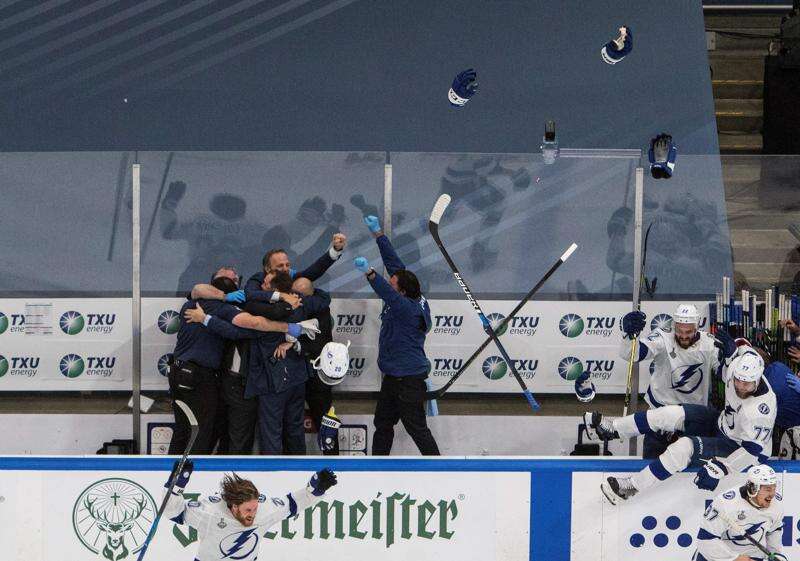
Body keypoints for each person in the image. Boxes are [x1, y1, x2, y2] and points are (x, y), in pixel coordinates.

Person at [583, 343, 776, 505]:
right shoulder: (737, 366)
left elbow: (752, 453)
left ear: (758, 379)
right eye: (738, 381)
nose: (741, 387)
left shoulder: (760, 410)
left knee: (682, 448)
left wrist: (722, 468)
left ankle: (630, 487)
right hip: (724, 422)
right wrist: (733, 348)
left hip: (739, 447)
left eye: (747, 383)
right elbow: (744, 348)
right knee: (669, 413)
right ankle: (612, 430)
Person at [169, 269, 316, 455]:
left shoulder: (190, 305)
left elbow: (198, 289)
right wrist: (288, 328)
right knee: (202, 430)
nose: (260, 287)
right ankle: (194, 474)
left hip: (185, 372)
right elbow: (248, 327)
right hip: (205, 377)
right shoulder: (222, 309)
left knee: (185, 429)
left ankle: (169, 474)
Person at [353, 215, 439, 455]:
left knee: (417, 429)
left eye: (393, 283)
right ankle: (377, 467)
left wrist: (369, 272)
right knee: (382, 424)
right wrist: (378, 234)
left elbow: (386, 292)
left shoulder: (407, 308)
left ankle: (439, 469)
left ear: (401, 290)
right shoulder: (408, 291)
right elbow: (394, 264)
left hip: (408, 380)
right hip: (393, 378)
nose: (391, 282)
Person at [162, 462, 337, 561]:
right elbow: (172, 510)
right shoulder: (209, 513)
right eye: (248, 509)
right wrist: (176, 485)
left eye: (254, 508)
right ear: (234, 506)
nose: (252, 513)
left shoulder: (264, 510)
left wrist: (315, 490)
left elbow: (294, 503)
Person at [616, 304, 721, 458]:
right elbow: (634, 354)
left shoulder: (709, 344)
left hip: (693, 420)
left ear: (697, 327)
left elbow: (724, 371)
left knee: (691, 477)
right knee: (652, 472)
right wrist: (628, 334)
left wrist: (731, 357)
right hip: (659, 424)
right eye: (679, 331)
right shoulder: (662, 338)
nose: (683, 336)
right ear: (674, 326)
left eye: (689, 332)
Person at [693, 464, 786, 561]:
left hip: (753, 556)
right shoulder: (726, 503)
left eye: (774, 488)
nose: (772, 494)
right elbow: (705, 540)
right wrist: (735, 558)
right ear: (753, 488)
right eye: (768, 489)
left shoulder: (776, 504)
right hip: (719, 556)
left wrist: (776, 553)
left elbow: (774, 529)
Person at [292, 276, 340, 455]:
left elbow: (319, 342)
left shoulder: (320, 308)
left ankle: (334, 462)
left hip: (317, 376)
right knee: (292, 422)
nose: (294, 297)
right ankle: (294, 462)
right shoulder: (292, 305)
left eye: (299, 294)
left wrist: (298, 344)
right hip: (295, 373)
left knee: (326, 422)